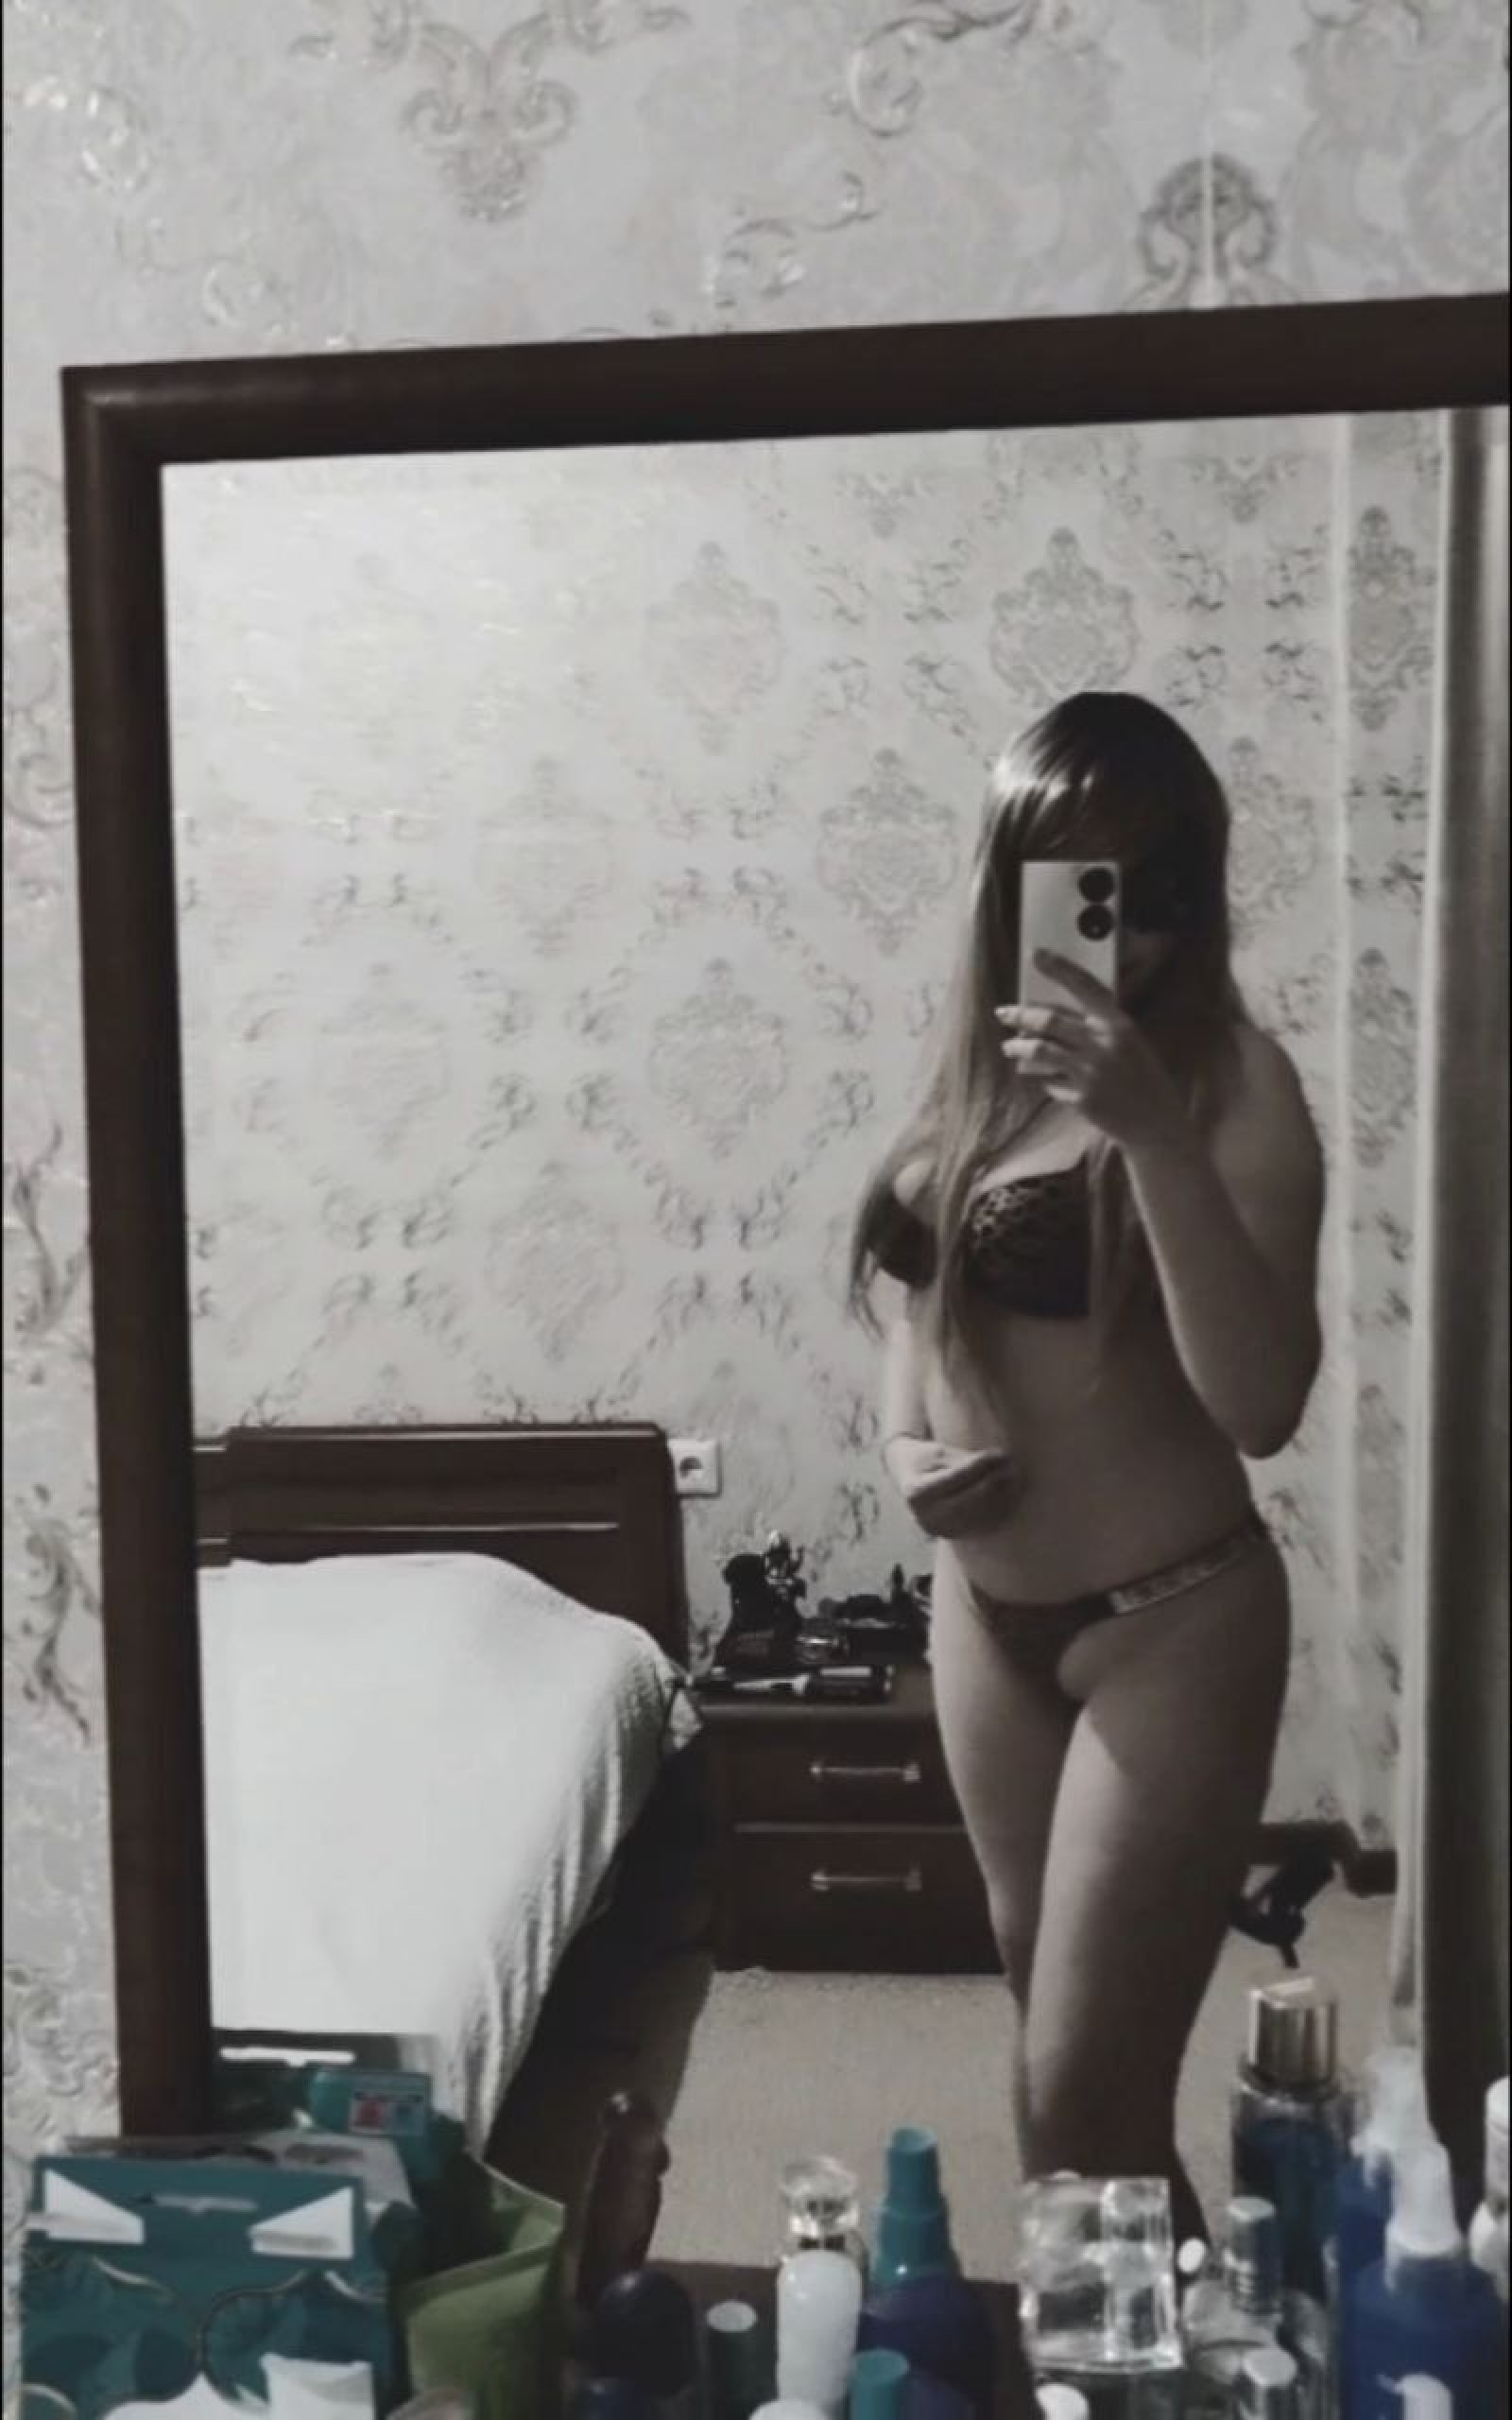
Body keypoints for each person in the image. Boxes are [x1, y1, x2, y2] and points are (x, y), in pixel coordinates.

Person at [850, 691, 1324, 2244]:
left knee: (1078, 2101)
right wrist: (904, 1445)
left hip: (1169, 1623)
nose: (1119, 922)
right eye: (1073, 875)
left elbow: (1262, 1402)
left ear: (1194, 890)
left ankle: (1148, 2352)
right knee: (1066, 2077)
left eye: (1148, 880)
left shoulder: (1234, 1087)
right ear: (1012, 883)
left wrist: (1155, 1140)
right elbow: (919, 1312)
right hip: (986, 1623)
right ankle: (1135, 2349)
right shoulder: (978, 1083)